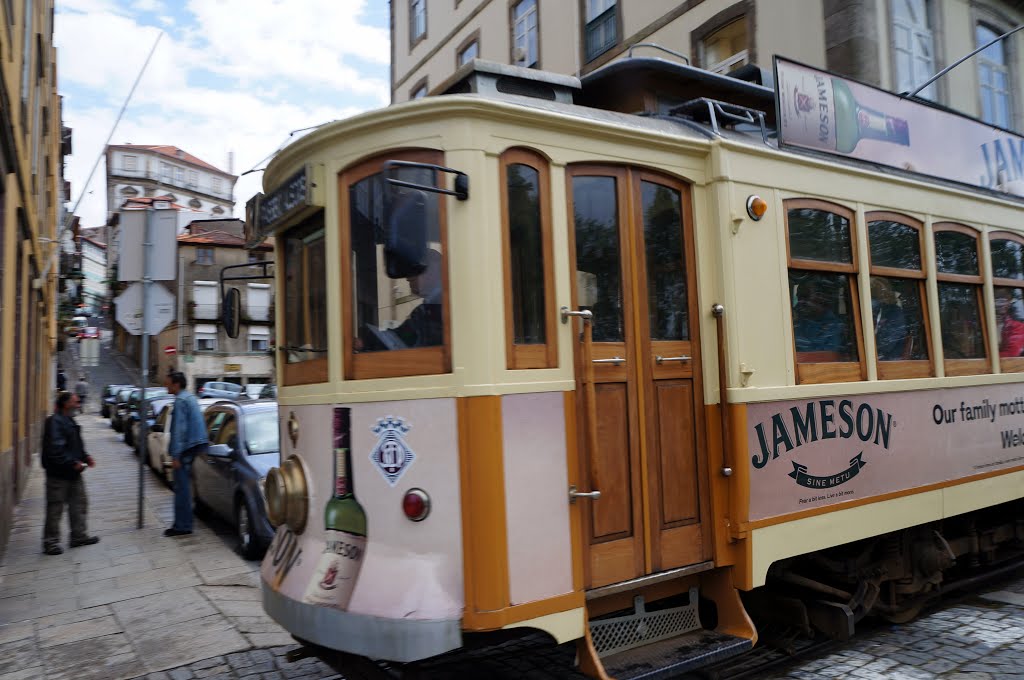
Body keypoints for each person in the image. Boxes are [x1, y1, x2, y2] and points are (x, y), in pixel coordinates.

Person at [41, 392, 98, 555]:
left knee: (79, 504)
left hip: (73, 472)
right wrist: (73, 463)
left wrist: (85, 456)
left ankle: (78, 536)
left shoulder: (69, 420)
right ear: (66, 404)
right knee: (55, 507)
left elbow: (75, 445)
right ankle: (50, 542)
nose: (78, 403)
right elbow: (55, 449)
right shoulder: (54, 422)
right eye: (75, 401)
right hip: (58, 473)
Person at [164, 371, 208, 537]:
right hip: (193, 447)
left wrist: (175, 455)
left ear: (176, 384)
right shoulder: (189, 397)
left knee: (181, 489)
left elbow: (179, 431)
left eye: (168, 383)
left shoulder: (181, 401)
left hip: (184, 451)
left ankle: (182, 526)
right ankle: (183, 523)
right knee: (184, 488)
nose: (165, 386)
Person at [393, 248, 444, 348]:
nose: (408, 278)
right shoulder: (426, 308)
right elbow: (403, 335)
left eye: (415, 271)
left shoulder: (443, 306)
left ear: (431, 273)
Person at [792, 279, 847, 355]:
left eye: (805, 297)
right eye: (799, 298)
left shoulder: (835, 326)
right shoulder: (796, 322)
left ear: (820, 297)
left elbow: (825, 357)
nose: (800, 302)